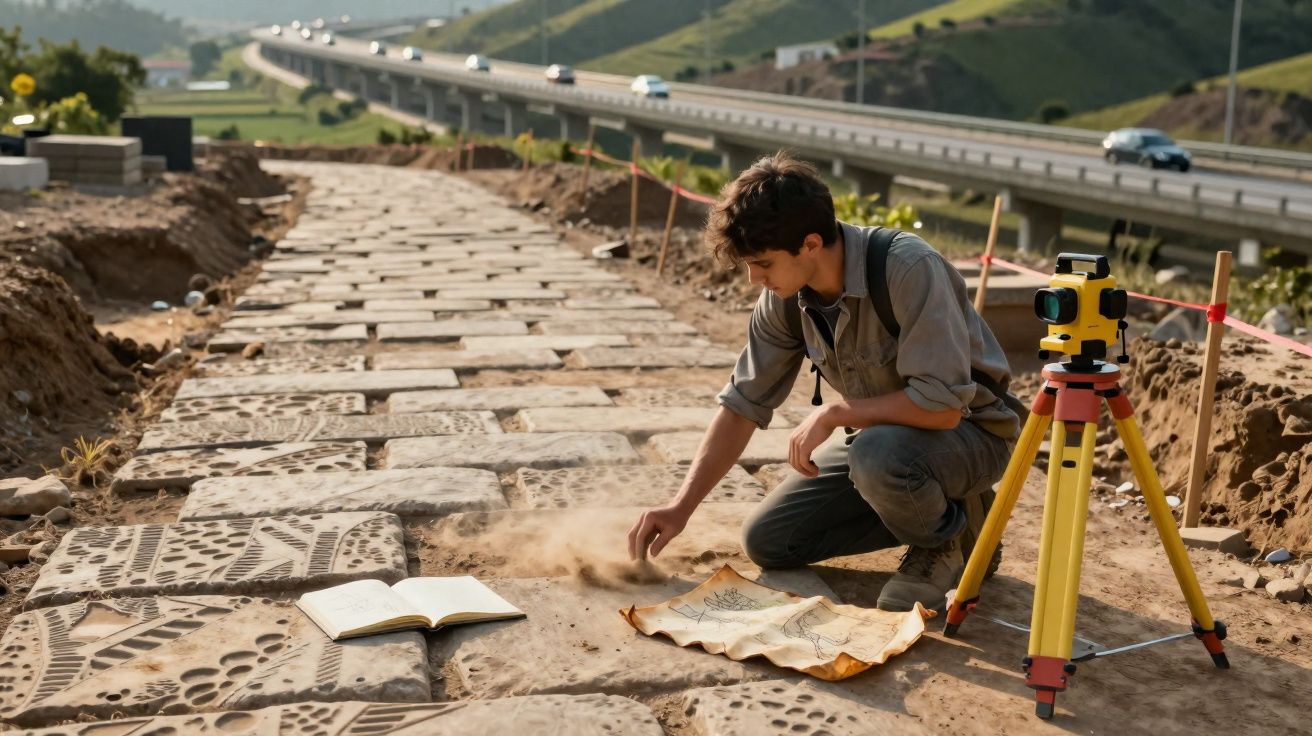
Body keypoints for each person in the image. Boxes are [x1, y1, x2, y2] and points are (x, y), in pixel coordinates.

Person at [626, 152, 1020, 612]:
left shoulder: (908, 269)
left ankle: (941, 547)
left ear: (810, 243)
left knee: (876, 456)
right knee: (770, 542)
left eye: (764, 264)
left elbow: (944, 406)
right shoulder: (785, 296)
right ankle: (966, 519)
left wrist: (837, 413)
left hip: (969, 436)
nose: (755, 279)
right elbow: (742, 403)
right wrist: (681, 506)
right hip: (887, 443)